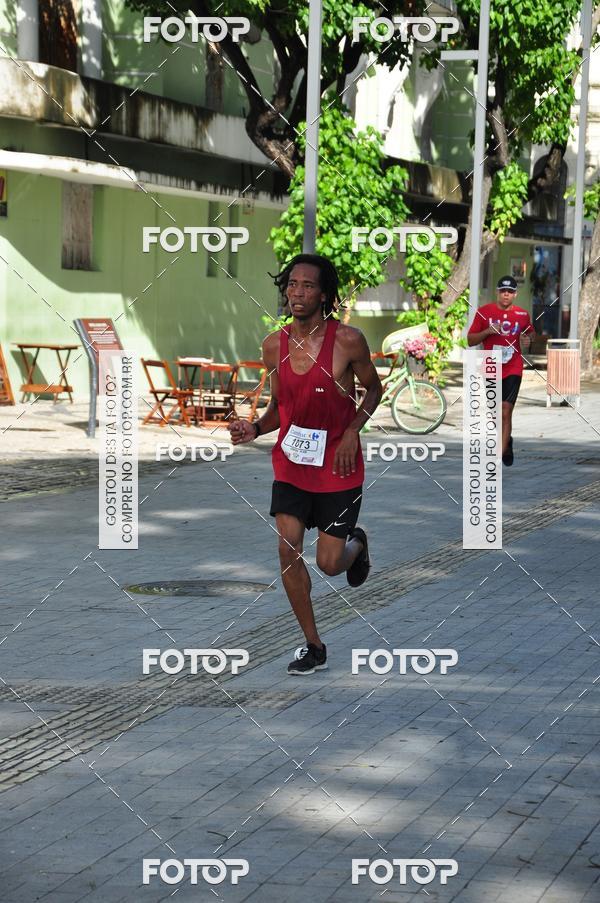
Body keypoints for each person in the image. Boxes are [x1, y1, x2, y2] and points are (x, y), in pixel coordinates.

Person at [228, 254, 382, 675]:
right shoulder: (273, 346)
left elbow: (373, 389)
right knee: (287, 549)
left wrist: (352, 431)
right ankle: (313, 645)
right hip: (293, 463)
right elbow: (281, 407)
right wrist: (254, 428)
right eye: (292, 284)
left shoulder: (348, 341)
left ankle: (358, 545)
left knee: (330, 564)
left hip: (338, 466)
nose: (297, 292)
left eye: (308, 285)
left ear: (324, 295)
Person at [467, 275, 535, 466]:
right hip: (491, 366)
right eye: (503, 291)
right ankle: (507, 442)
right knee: (495, 413)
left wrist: (529, 339)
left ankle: (497, 455)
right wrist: (487, 331)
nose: (506, 294)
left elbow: (530, 332)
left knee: (506, 410)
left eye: (510, 292)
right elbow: (470, 340)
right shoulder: (484, 312)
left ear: (515, 294)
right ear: (498, 292)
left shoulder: (522, 315)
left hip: (513, 367)